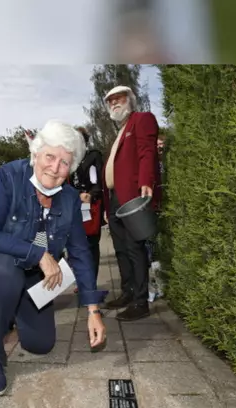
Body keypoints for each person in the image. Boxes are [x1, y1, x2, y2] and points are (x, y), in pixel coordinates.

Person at [0, 120, 107, 396]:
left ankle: (12, 306)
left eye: (65, 162)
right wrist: (38, 254)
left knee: (41, 344)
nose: (55, 168)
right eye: (50, 157)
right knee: (6, 274)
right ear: (36, 154)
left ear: (72, 167)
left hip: (31, 273)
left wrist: (93, 310)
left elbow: (79, 251)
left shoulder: (69, 198)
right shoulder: (9, 176)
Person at [102, 85, 160, 321]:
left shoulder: (142, 120)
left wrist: (146, 180)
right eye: (110, 101)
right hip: (115, 200)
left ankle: (140, 301)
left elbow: (148, 152)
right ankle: (128, 292)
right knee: (121, 249)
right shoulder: (119, 132)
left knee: (134, 248)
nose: (115, 103)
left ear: (130, 100)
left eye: (119, 98)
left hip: (131, 197)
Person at [70, 126, 104, 294]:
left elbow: (100, 181)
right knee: (75, 245)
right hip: (73, 206)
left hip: (91, 206)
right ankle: (80, 279)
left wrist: (91, 194)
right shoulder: (69, 159)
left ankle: (90, 282)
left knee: (91, 245)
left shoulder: (93, 156)